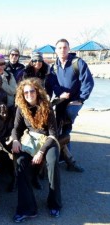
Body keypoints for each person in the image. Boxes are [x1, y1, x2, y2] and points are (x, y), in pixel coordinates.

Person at [11, 78, 62, 222]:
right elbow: (16, 128)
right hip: (31, 140)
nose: (29, 94)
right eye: (25, 92)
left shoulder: (46, 106)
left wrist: (41, 152)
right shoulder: (21, 108)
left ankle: (54, 203)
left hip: (48, 141)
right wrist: (15, 140)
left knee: (52, 163)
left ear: (37, 91)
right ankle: (28, 208)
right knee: (20, 162)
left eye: (31, 91)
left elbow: (53, 134)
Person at [49, 38, 94, 170]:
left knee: (67, 124)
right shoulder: (54, 67)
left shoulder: (77, 63)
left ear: (69, 49)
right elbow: (52, 84)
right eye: (60, 48)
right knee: (56, 127)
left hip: (75, 100)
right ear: (56, 50)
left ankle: (67, 158)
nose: (62, 50)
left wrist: (81, 99)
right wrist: (57, 95)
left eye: (65, 47)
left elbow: (88, 83)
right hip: (61, 101)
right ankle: (64, 155)